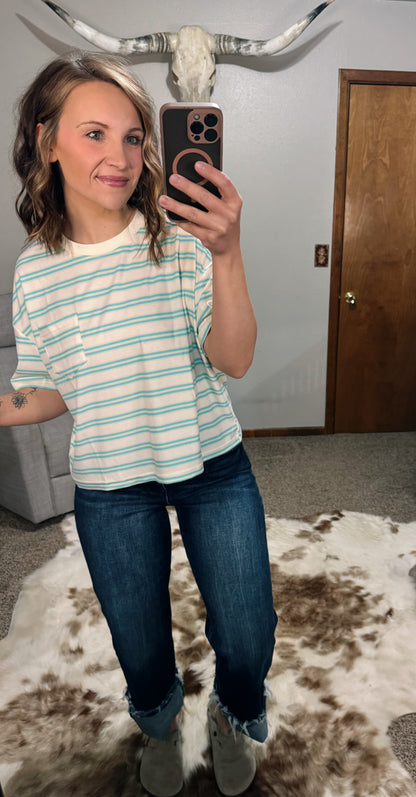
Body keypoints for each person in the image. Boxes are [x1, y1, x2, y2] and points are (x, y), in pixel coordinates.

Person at [0, 51, 277, 797]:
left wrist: (227, 253)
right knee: (139, 637)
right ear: (46, 140)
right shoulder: (36, 271)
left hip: (212, 465)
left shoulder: (180, 239)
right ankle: (159, 723)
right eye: (94, 134)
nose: (120, 157)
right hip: (111, 482)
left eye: (132, 137)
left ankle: (232, 713)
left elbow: (234, 358)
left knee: (249, 629)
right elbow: (48, 390)